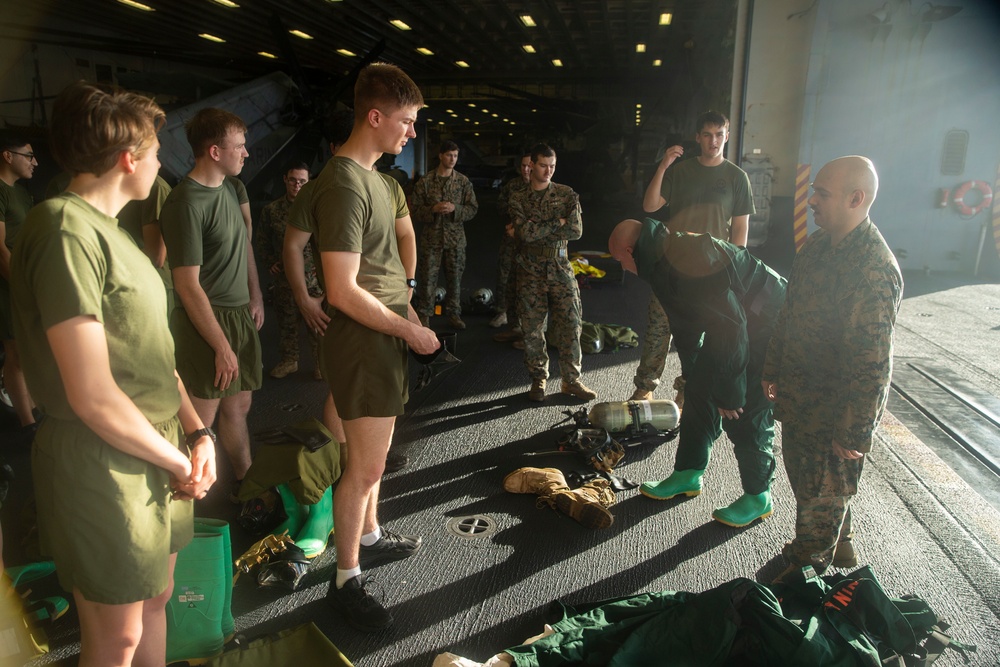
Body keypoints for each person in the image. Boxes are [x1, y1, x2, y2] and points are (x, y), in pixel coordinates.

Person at [10, 80, 216, 667]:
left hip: (158, 447)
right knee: (115, 637)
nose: (159, 166)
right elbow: (92, 394)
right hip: (106, 460)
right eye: (155, 154)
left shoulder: (115, 234)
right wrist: (179, 461)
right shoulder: (62, 229)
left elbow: (151, 356)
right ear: (130, 159)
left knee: (156, 602)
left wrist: (198, 432)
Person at [310, 63, 438, 632]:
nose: (410, 133)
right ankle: (345, 579)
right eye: (407, 122)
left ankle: (368, 535)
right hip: (365, 342)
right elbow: (340, 289)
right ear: (375, 116)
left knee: (376, 459)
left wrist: (407, 306)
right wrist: (409, 329)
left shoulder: (377, 180)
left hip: (382, 335)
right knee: (361, 470)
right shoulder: (341, 183)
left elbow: (382, 266)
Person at [762, 156, 902, 578]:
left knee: (824, 490)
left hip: (835, 409)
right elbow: (788, 314)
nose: (810, 200)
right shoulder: (818, 247)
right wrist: (773, 368)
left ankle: (807, 568)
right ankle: (839, 543)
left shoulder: (874, 269)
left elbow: (874, 360)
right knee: (810, 484)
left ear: (855, 198)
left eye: (821, 193)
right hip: (802, 394)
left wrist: (856, 429)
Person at [609, 218, 784, 527]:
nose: (622, 268)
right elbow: (686, 326)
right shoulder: (660, 264)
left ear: (628, 250)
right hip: (735, 324)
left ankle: (759, 496)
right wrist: (694, 373)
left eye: (620, 260)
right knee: (699, 392)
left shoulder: (689, 254)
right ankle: (688, 473)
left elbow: (733, 327)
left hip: (770, 325)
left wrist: (730, 392)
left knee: (747, 408)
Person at [160, 108, 264, 497]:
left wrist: (255, 295)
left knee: (237, 409)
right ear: (214, 151)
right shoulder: (185, 203)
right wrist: (220, 345)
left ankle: (248, 486)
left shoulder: (230, 190)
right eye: (239, 146)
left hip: (237, 315)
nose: (246, 153)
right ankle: (187, 506)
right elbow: (187, 285)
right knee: (199, 425)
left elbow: (244, 247)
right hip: (206, 322)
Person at [632, 111, 754, 408]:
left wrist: (733, 270)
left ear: (727, 136)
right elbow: (650, 205)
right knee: (658, 329)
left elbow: (740, 229)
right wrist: (664, 165)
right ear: (698, 137)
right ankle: (644, 387)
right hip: (673, 264)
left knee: (698, 332)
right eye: (707, 135)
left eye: (719, 134)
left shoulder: (737, 178)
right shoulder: (681, 171)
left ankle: (688, 387)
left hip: (711, 269)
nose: (713, 141)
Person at [509, 143, 596, 402]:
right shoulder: (518, 197)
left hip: (560, 266)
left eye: (552, 166)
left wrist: (539, 227)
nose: (548, 171)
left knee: (571, 324)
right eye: (543, 166)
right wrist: (557, 222)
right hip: (530, 269)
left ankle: (571, 380)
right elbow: (524, 233)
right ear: (532, 165)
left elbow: (576, 230)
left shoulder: (567, 194)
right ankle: (538, 379)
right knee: (532, 328)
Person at [258, 162, 319, 379]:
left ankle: (321, 364)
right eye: (293, 180)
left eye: (302, 181)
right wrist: (269, 262)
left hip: (313, 278)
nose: (297, 185)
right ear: (285, 179)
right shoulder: (272, 210)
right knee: (286, 323)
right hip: (284, 279)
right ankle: (289, 361)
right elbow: (262, 240)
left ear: (308, 182)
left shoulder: (315, 208)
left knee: (318, 324)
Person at [412, 140, 479, 330]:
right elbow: (415, 211)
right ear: (441, 155)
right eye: (449, 155)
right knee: (427, 279)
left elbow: (473, 209)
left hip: (455, 240)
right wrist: (433, 209)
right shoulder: (425, 182)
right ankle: (425, 314)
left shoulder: (463, 182)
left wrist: (455, 209)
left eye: (456, 156)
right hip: (431, 239)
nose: (452, 159)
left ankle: (453, 314)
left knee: (455, 280)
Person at [0, 131, 39, 440]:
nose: (34, 162)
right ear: (7, 156)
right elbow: (0, 248)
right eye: (28, 155)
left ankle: (36, 411)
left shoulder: (22, 194)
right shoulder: (0, 191)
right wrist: (22, 287)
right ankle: (27, 425)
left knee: (30, 348)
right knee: (15, 352)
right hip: (9, 285)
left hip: (26, 280)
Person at [491, 151, 531, 334]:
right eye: (523, 165)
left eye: (529, 165)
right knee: (505, 273)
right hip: (511, 237)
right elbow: (500, 205)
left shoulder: (541, 187)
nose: (526, 169)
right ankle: (502, 311)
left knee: (528, 278)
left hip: (530, 241)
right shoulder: (512, 186)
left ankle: (523, 317)